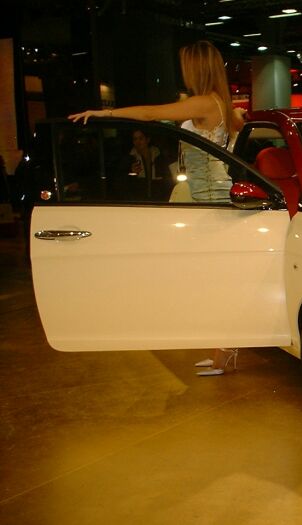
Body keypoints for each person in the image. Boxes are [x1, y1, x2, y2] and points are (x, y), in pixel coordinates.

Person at [69, 40, 245, 376]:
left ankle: (225, 350)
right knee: (213, 280)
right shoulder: (221, 103)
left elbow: (151, 114)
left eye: (184, 65)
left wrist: (103, 113)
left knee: (212, 282)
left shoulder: (204, 102)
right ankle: (223, 350)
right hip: (210, 197)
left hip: (209, 201)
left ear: (196, 67)